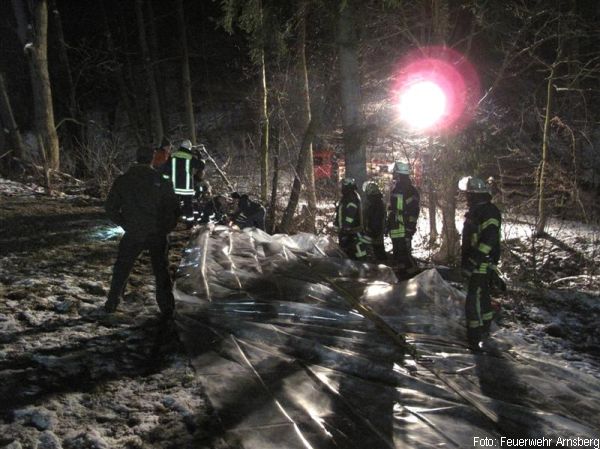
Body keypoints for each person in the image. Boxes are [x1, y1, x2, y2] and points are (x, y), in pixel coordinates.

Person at [104, 146, 181, 318]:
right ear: (152, 159)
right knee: (161, 270)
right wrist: (165, 228)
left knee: (122, 268)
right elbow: (174, 208)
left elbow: (110, 208)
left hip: (134, 232)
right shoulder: (161, 179)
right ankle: (167, 307)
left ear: (137, 158)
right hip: (157, 233)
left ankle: (112, 302)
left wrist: (126, 224)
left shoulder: (123, 180)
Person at [459, 176, 502, 351]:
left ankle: (474, 336)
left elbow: (489, 239)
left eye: (468, 194)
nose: (466, 197)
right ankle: (484, 328)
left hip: (480, 262)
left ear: (475, 194)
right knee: (482, 296)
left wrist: (474, 260)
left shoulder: (488, 212)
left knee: (473, 298)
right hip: (478, 260)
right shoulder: (479, 210)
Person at [387, 161, 420, 279]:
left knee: (405, 256)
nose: (393, 175)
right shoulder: (397, 188)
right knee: (398, 256)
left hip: (404, 228)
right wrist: (388, 224)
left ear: (399, 174)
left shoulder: (410, 190)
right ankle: (402, 278)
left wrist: (410, 229)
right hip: (396, 228)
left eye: (395, 173)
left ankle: (414, 278)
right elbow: (393, 209)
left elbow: (414, 211)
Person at [166, 139, 205, 228]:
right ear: (189, 148)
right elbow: (201, 166)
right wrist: (200, 155)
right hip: (186, 188)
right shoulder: (190, 157)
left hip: (174, 188)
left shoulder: (172, 156)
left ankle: (172, 224)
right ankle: (189, 225)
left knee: (174, 206)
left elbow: (166, 170)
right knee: (188, 207)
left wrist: (167, 181)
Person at [334, 177, 367, 261]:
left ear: (347, 186)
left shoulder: (351, 197)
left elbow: (350, 214)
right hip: (348, 231)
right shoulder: (348, 196)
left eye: (343, 186)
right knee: (348, 253)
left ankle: (362, 269)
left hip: (352, 232)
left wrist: (345, 228)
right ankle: (353, 270)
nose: (341, 188)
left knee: (357, 252)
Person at [363, 181, 387, 262]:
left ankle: (378, 267)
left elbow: (375, 219)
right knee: (379, 250)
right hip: (376, 232)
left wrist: (371, 232)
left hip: (374, 233)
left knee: (375, 251)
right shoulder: (377, 201)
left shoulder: (375, 203)